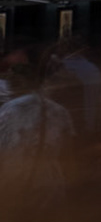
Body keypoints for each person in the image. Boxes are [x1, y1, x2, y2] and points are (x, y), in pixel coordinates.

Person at [0, 49, 74, 198]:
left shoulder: (9, 110)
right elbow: (68, 150)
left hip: (15, 182)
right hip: (50, 184)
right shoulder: (60, 111)